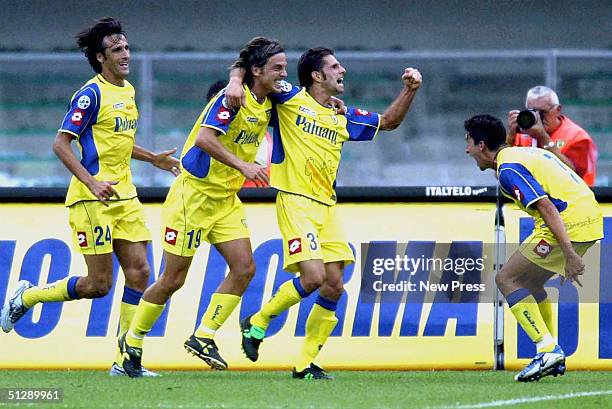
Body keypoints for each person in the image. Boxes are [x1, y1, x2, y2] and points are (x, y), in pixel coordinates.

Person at [225, 47, 421, 379]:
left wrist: (410, 90)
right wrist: (234, 79)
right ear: (317, 76)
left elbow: (388, 122)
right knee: (313, 278)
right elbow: (253, 66)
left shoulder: (341, 114)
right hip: (296, 199)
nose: (342, 69)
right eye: (334, 66)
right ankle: (258, 321)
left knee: (334, 286)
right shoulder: (287, 98)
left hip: (326, 206)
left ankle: (304, 364)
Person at [0, 17, 180, 377]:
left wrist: (153, 158)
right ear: (101, 58)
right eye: (117, 50)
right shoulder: (90, 94)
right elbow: (60, 143)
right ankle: (27, 297)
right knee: (98, 285)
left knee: (141, 271)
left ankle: (126, 360)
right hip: (91, 198)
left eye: (127, 47)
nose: (126, 54)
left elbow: (117, 142)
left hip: (124, 195)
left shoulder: (127, 92)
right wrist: (92, 182)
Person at [117, 37, 287, 377]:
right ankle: (130, 346)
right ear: (257, 71)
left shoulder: (269, 98)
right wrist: (243, 166)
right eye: (277, 68)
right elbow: (204, 140)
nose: (283, 74)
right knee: (172, 279)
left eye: (284, 67)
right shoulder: (230, 99)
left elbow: (292, 95)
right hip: (192, 198)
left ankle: (204, 336)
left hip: (225, 200)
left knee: (245, 268)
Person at [464, 114, 603, 382]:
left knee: (507, 278)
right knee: (529, 282)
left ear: (481, 145)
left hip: (568, 223)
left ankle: (548, 349)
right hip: (590, 218)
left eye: (469, 142)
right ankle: (553, 352)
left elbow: (547, 207)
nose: (466, 149)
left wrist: (570, 254)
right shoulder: (521, 154)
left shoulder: (509, 169)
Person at [507, 86, 598, 186]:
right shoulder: (522, 135)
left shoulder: (577, 137)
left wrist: (543, 138)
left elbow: (575, 177)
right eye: (532, 111)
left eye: (542, 112)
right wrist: (510, 139)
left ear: (558, 110)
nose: (537, 117)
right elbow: (502, 173)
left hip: (572, 199)